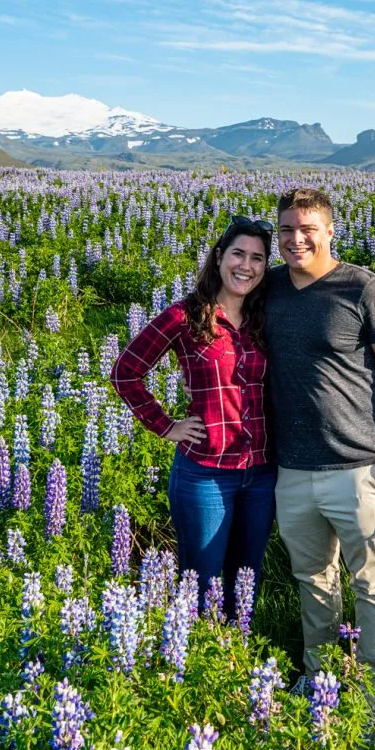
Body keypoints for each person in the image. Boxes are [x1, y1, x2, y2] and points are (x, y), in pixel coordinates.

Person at [264, 187, 375, 716]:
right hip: (292, 466)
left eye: (308, 228)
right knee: (313, 581)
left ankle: (374, 700)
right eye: (287, 229)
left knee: (372, 582)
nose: (296, 238)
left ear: (330, 231)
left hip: (359, 466)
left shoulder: (365, 289)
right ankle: (322, 683)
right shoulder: (270, 289)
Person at [111, 215, 276, 617]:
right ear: (219, 257)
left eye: (257, 258)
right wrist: (166, 426)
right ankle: (195, 666)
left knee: (245, 583)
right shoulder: (184, 316)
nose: (246, 265)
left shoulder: (267, 316)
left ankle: (235, 664)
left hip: (262, 472)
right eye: (238, 253)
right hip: (205, 471)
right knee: (201, 586)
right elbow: (125, 372)